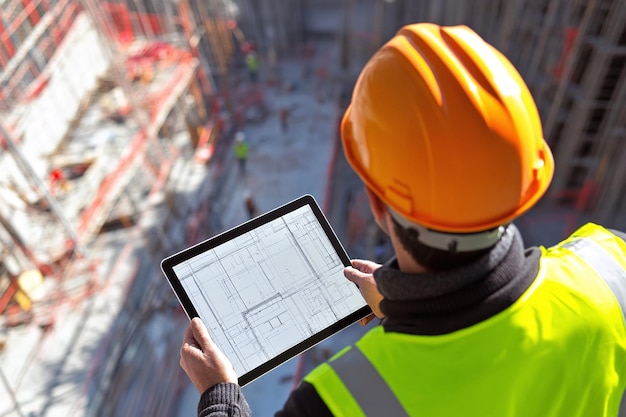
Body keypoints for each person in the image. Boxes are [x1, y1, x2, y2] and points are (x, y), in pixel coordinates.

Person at [179, 23, 626, 416]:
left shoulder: (344, 401)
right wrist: (408, 303)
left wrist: (219, 396)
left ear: (377, 203)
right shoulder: (610, 265)